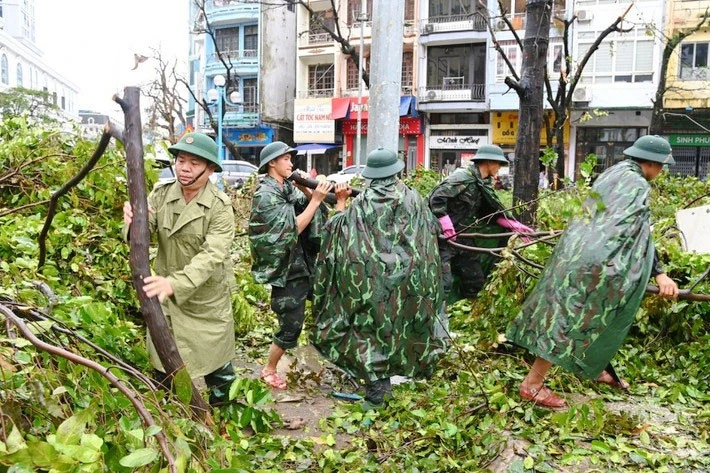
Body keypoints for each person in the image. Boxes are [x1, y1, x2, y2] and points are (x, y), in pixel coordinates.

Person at [506, 135, 680, 408]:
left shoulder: (613, 173)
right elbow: (639, 232)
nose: (662, 171)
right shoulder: (636, 184)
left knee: (582, 314)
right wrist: (659, 273)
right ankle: (532, 385)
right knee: (573, 319)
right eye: (662, 166)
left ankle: (596, 367)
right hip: (600, 263)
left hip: (575, 252)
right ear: (652, 163)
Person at [311, 148, 446, 407]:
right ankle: (407, 369)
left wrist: (340, 203)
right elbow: (432, 228)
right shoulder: (413, 197)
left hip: (373, 279)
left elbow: (335, 231)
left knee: (370, 330)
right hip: (411, 277)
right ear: (395, 171)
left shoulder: (364, 202)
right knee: (404, 324)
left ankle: (378, 391)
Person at [122, 132, 237, 406]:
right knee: (163, 361)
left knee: (217, 365)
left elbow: (212, 255)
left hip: (204, 299)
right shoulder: (161, 195)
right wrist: (132, 222)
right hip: (165, 295)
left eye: (194, 164)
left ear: (210, 169)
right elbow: (144, 234)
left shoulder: (220, 207)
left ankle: (225, 416)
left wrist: (176, 283)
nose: (185, 169)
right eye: (181, 160)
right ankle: (169, 412)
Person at [249, 141, 332, 390]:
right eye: (286, 159)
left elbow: (313, 212)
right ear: (272, 163)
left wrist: (310, 193)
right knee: (290, 324)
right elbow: (292, 228)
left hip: (303, 264)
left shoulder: (285, 188)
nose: (291, 163)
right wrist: (315, 200)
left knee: (328, 302)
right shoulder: (266, 195)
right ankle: (269, 368)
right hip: (285, 270)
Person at [429, 144, 533, 303]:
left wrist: (512, 224)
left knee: (475, 280)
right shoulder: (463, 177)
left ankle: (466, 314)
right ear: (489, 162)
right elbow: (436, 198)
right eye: (498, 164)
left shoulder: (483, 184)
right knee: (443, 283)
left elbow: (488, 212)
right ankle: (437, 319)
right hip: (443, 240)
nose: (499, 168)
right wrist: (444, 220)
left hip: (464, 238)